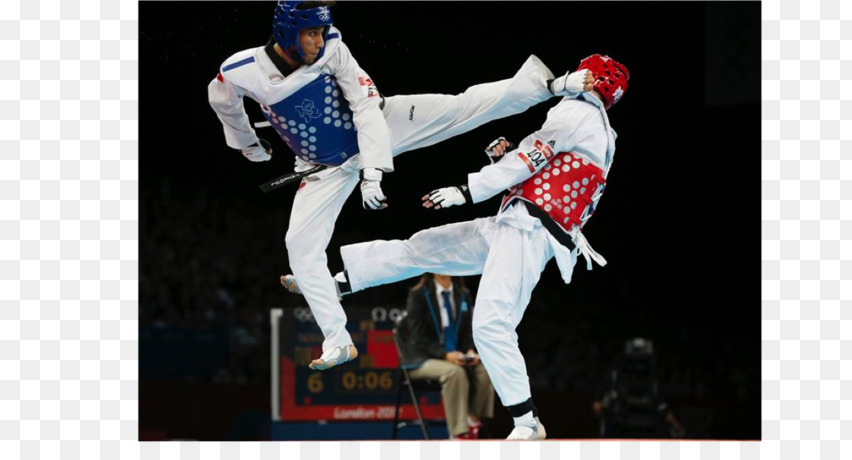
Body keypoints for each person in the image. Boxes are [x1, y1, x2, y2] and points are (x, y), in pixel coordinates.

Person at [208, 1, 594, 371]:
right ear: (287, 31)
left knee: (461, 108)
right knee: (300, 247)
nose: (318, 41)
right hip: (322, 167)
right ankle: (337, 338)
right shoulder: (239, 70)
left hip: (384, 125)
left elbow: (364, 108)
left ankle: (550, 84)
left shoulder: (333, 48)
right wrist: (249, 144)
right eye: (311, 33)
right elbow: (224, 101)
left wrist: (373, 171)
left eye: (322, 31)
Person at [334, 54, 630, 440]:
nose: (573, 78)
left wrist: (467, 189)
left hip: (529, 231)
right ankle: (343, 280)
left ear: (590, 81)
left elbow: (529, 160)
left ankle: (527, 422)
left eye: (581, 74)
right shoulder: (594, 125)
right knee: (425, 248)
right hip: (513, 223)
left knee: (492, 323)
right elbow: (536, 169)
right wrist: (501, 158)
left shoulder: (578, 114)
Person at [398, 273, 494, 439]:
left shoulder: (462, 294)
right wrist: (445, 355)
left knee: (486, 370)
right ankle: (458, 433)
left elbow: (466, 332)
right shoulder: (419, 294)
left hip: (457, 356)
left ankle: (472, 419)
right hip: (422, 358)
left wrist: (470, 351)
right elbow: (418, 337)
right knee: (454, 373)